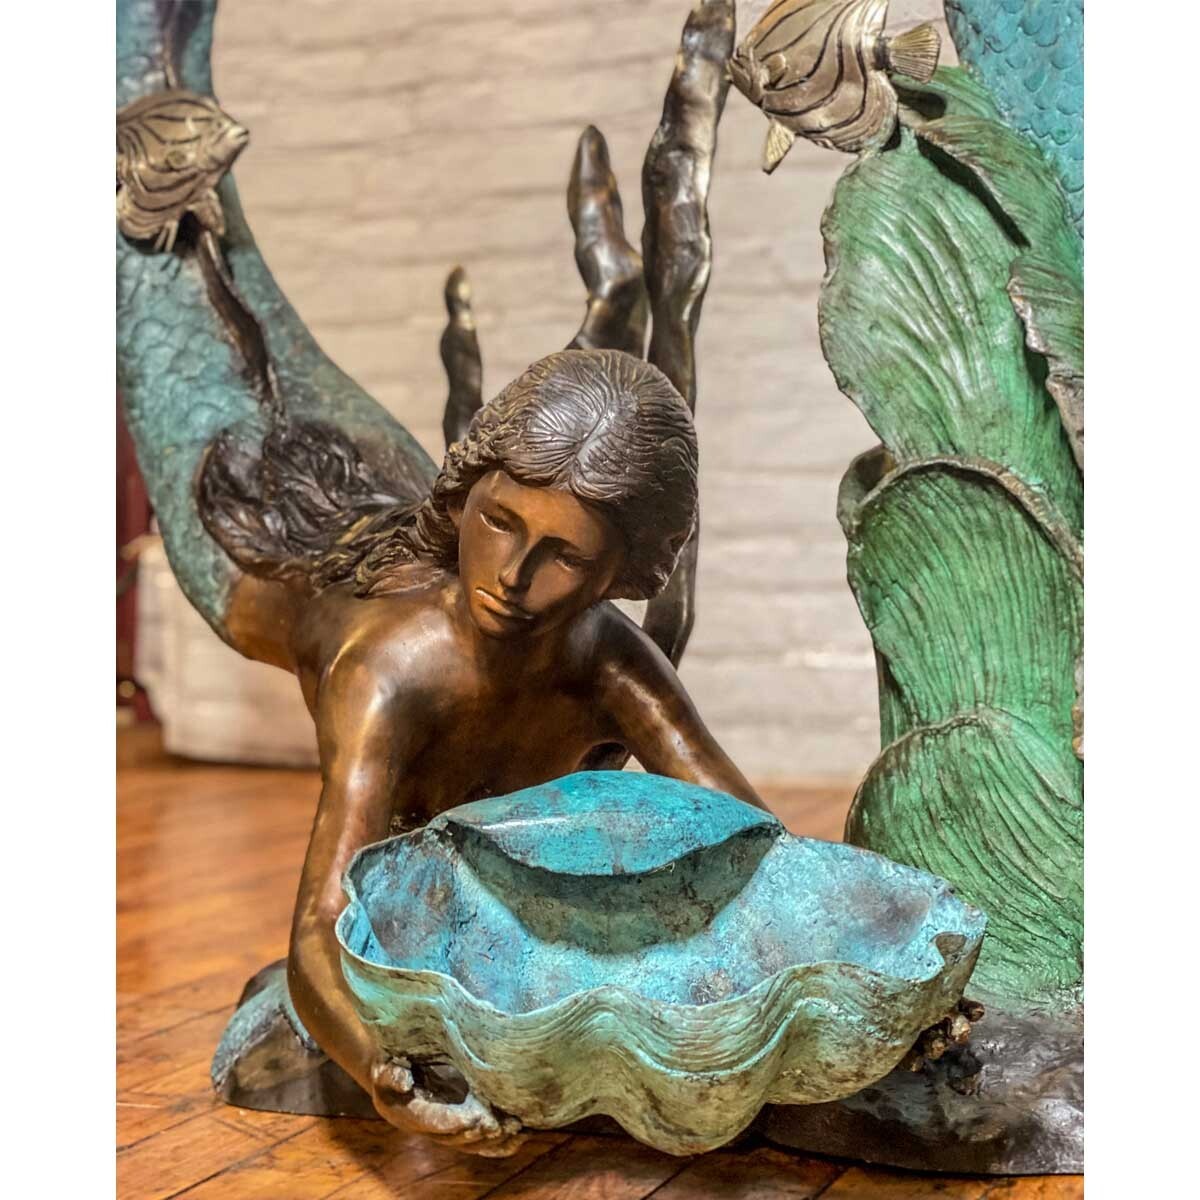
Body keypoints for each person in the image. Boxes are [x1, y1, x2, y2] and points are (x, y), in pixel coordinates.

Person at [209, 347, 764, 1152]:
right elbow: (320, 925)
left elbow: (758, 843)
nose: (512, 575)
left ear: (622, 572)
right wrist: (379, 1069)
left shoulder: (612, 664)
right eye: (499, 522)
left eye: (565, 555)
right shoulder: (388, 671)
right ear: (466, 497)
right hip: (293, 553)